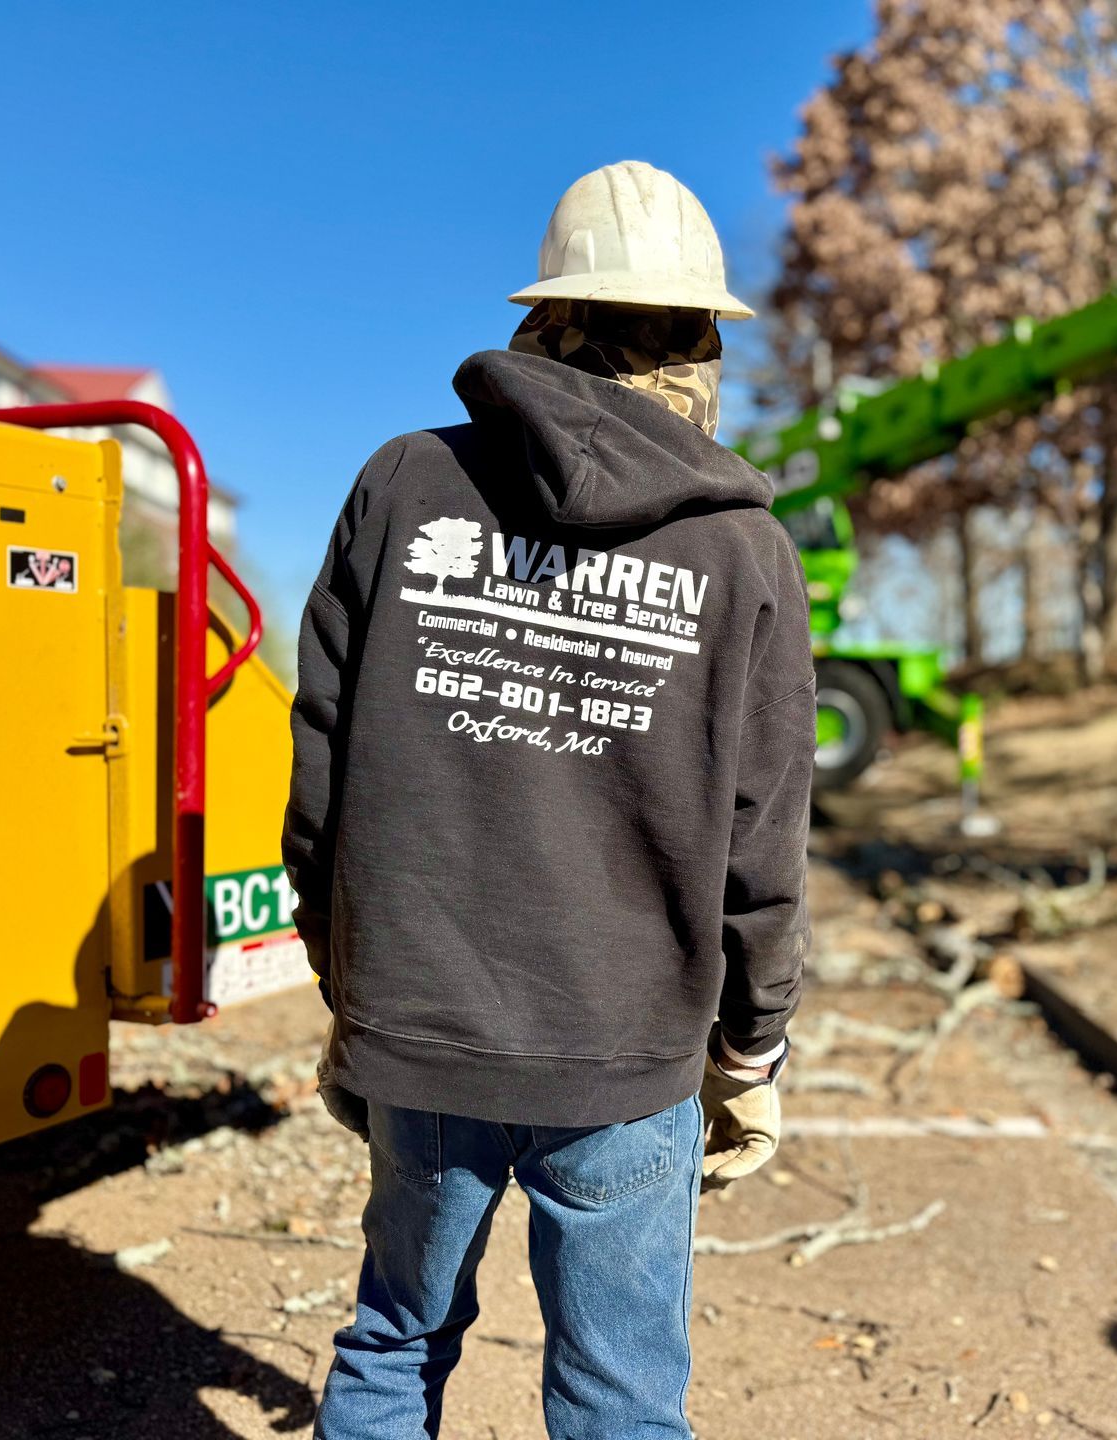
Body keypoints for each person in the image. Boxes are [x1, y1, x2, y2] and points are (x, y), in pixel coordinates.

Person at [283, 160, 814, 1440]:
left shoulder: (405, 485)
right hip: (626, 1052)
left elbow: (321, 768)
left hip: (424, 1017)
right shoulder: (744, 548)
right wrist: (749, 1052)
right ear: (698, 336)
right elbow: (762, 840)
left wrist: (350, 986)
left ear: (549, 314)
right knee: (619, 1397)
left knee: (393, 1346)